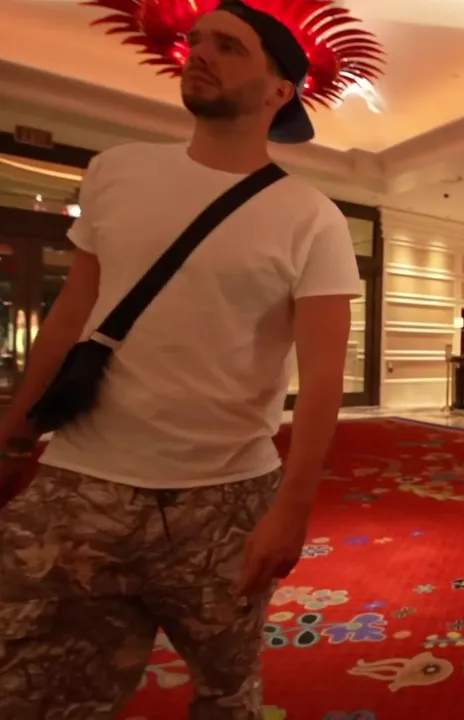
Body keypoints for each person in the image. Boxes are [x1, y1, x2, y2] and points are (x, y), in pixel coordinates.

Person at [0, 2, 360, 717]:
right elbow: (73, 312)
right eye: (198, 42)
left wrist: (292, 510)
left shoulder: (311, 217)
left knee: (226, 690)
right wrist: (16, 431)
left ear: (279, 91)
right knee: (36, 692)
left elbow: (323, 375)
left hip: (224, 498)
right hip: (80, 481)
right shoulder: (117, 171)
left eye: (228, 46)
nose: (199, 53)